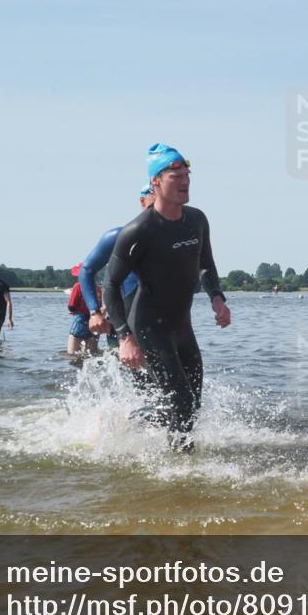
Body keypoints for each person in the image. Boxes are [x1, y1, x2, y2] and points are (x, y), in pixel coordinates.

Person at [103, 143, 230, 453]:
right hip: (149, 327)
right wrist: (124, 338)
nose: (185, 181)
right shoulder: (139, 231)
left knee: (192, 402)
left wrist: (217, 298)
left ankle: (139, 427)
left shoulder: (196, 220)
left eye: (187, 174)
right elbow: (110, 285)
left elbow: (206, 264)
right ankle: (180, 467)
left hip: (182, 327)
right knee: (182, 401)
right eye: (176, 176)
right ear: (156, 182)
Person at [81, 185, 154, 344]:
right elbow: (86, 270)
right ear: (142, 201)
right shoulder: (120, 236)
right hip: (123, 325)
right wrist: (94, 312)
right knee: (123, 367)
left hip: (161, 323)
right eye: (153, 205)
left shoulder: (176, 239)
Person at [67, 264, 100, 356]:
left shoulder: (78, 286)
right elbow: (99, 304)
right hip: (94, 318)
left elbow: (71, 305)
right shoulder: (97, 287)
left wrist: (72, 310)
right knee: (92, 352)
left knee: (72, 352)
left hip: (80, 318)